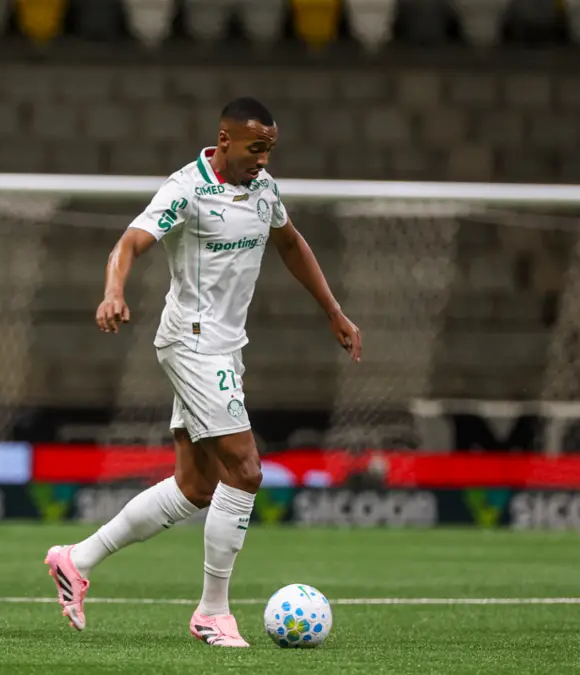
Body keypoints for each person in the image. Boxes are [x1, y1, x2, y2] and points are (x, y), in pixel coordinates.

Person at [44, 98, 362, 647]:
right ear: (225, 138)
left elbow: (292, 244)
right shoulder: (185, 189)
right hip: (193, 346)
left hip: (225, 348)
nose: (263, 158)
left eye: (270, 148)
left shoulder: (264, 189)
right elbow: (130, 242)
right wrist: (113, 291)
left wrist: (332, 310)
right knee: (246, 471)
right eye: (255, 147)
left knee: (196, 486)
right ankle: (212, 612)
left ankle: (77, 558)